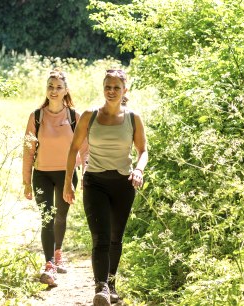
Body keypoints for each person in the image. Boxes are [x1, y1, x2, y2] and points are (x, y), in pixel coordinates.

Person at [63, 69, 148, 305]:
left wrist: (139, 170)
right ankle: (100, 287)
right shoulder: (90, 116)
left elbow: (143, 151)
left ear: (125, 91)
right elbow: (73, 149)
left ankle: (111, 284)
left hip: (123, 183)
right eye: (108, 87)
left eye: (116, 88)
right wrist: (68, 181)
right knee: (100, 237)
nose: (111, 91)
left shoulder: (133, 118)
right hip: (95, 181)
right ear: (103, 89)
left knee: (115, 238)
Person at [22, 69, 88, 287]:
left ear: (65, 90)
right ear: (46, 89)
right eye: (50, 86)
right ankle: (49, 264)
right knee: (47, 217)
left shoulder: (73, 117)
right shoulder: (37, 116)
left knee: (60, 216)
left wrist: (85, 173)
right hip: (41, 174)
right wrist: (26, 181)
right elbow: (28, 151)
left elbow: (85, 148)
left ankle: (58, 253)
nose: (54, 91)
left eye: (58, 87)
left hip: (67, 174)